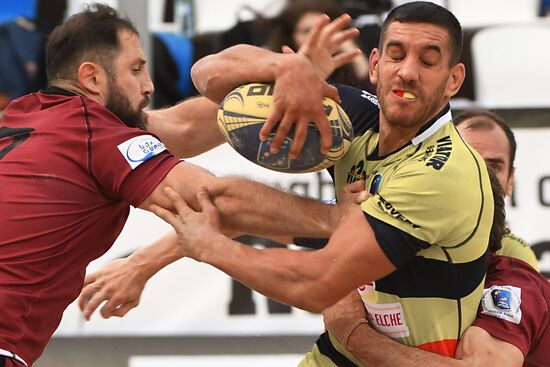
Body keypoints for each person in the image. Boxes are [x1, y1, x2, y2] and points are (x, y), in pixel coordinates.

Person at [83, 3, 495, 367]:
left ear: (454, 79)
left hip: (414, 358)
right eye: (396, 55)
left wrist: (209, 247)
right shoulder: (355, 118)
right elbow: (206, 79)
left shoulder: (441, 172)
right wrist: (290, 67)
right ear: (374, 65)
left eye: (428, 60)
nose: (407, 71)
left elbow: (317, 283)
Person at [0, 5, 361, 366]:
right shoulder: (94, 134)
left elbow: (184, 128)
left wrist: (301, 73)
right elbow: (213, 199)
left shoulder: (27, 116)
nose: (149, 85)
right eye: (136, 69)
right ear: (92, 78)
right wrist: (334, 220)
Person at [454, 110, 538, 269]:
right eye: (467, 160)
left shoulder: (516, 256)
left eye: (494, 166)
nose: (483, 175)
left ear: (510, 180)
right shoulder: (410, 233)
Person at [261, 0, 374, 93]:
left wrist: (355, 56)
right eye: (307, 31)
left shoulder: (349, 70)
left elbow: (376, 101)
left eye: (322, 29)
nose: (315, 37)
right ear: (290, 36)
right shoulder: (273, 68)